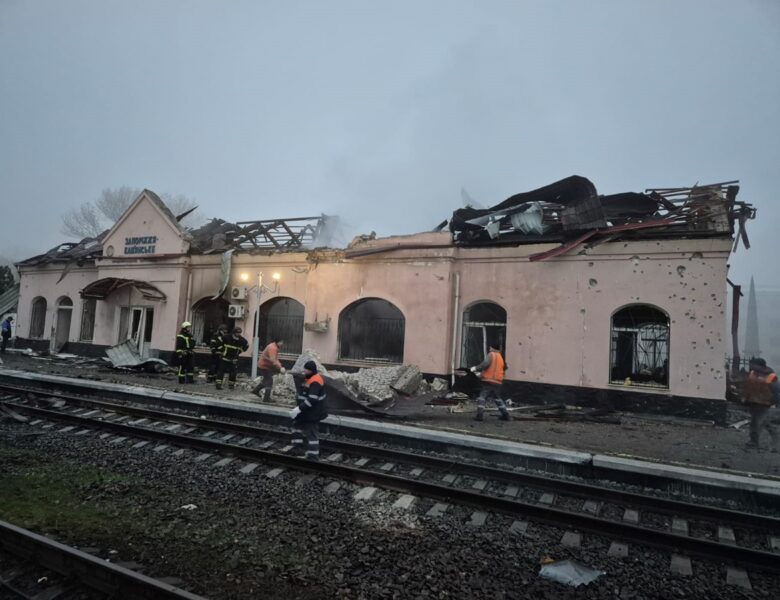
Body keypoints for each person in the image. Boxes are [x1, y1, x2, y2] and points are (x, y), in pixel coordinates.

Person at [289, 360, 328, 460]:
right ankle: (298, 448)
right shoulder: (310, 378)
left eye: (305, 369)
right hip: (306, 411)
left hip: (313, 412)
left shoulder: (315, 381)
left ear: (310, 370)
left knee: (312, 433)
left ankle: (313, 455)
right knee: (296, 425)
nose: (304, 371)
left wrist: (299, 409)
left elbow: (312, 399)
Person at [743, 357, 780, 451]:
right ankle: (775, 437)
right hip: (753, 402)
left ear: (760, 366)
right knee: (762, 422)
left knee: (756, 422)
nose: (750, 366)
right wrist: (746, 398)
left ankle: (753, 442)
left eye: (753, 364)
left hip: (764, 403)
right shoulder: (752, 373)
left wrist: (774, 401)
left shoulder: (771, 376)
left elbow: (776, 390)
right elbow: (748, 386)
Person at [470, 345, 510, 421]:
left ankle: (479, 415)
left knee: (482, 397)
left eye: (490, 347)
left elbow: (485, 364)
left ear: (492, 348)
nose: (489, 348)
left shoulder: (491, 354)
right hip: (498, 381)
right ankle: (505, 415)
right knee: (497, 398)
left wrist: (475, 368)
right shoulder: (500, 357)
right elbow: (505, 367)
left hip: (489, 380)